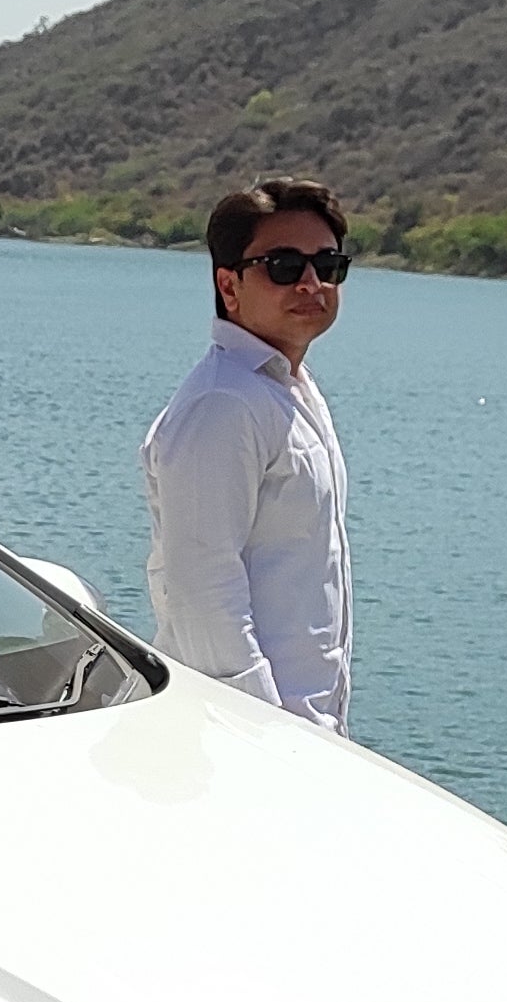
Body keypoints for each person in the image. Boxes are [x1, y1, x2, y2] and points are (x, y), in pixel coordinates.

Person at [143, 176, 353, 732]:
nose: (311, 283)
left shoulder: (286, 389)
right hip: (243, 738)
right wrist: (263, 730)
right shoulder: (223, 403)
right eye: (283, 266)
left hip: (301, 730)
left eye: (327, 265)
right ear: (229, 286)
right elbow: (200, 588)